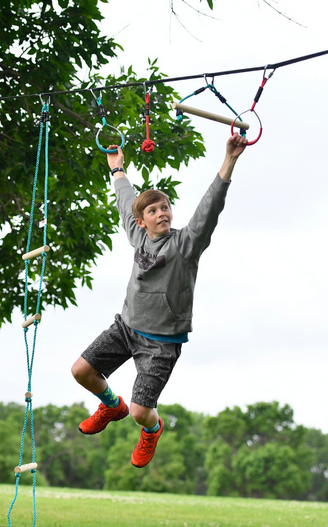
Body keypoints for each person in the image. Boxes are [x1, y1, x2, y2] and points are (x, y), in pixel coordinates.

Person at [71, 134, 248, 468]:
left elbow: (209, 209)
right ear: (143, 222)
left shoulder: (186, 245)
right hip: (126, 328)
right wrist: (116, 168)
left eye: (165, 207)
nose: (162, 213)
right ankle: (111, 405)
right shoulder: (137, 237)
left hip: (161, 342)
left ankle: (153, 430)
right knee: (81, 371)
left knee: (141, 412)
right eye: (153, 210)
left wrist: (229, 160)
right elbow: (126, 202)